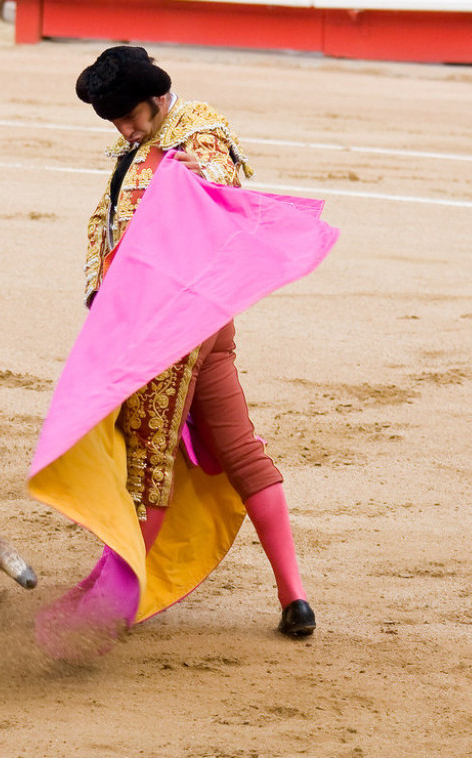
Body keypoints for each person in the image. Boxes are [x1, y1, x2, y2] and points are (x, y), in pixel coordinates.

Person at [72, 45, 316, 638]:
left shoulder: (199, 133)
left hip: (174, 324)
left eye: (131, 116)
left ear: (160, 97)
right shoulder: (146, 144)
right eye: (115, 122)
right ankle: (295, 599)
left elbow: (213, 211)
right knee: (239, 449)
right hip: (197, 324)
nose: (125, 129)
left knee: (149, 457)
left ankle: (112, 611)